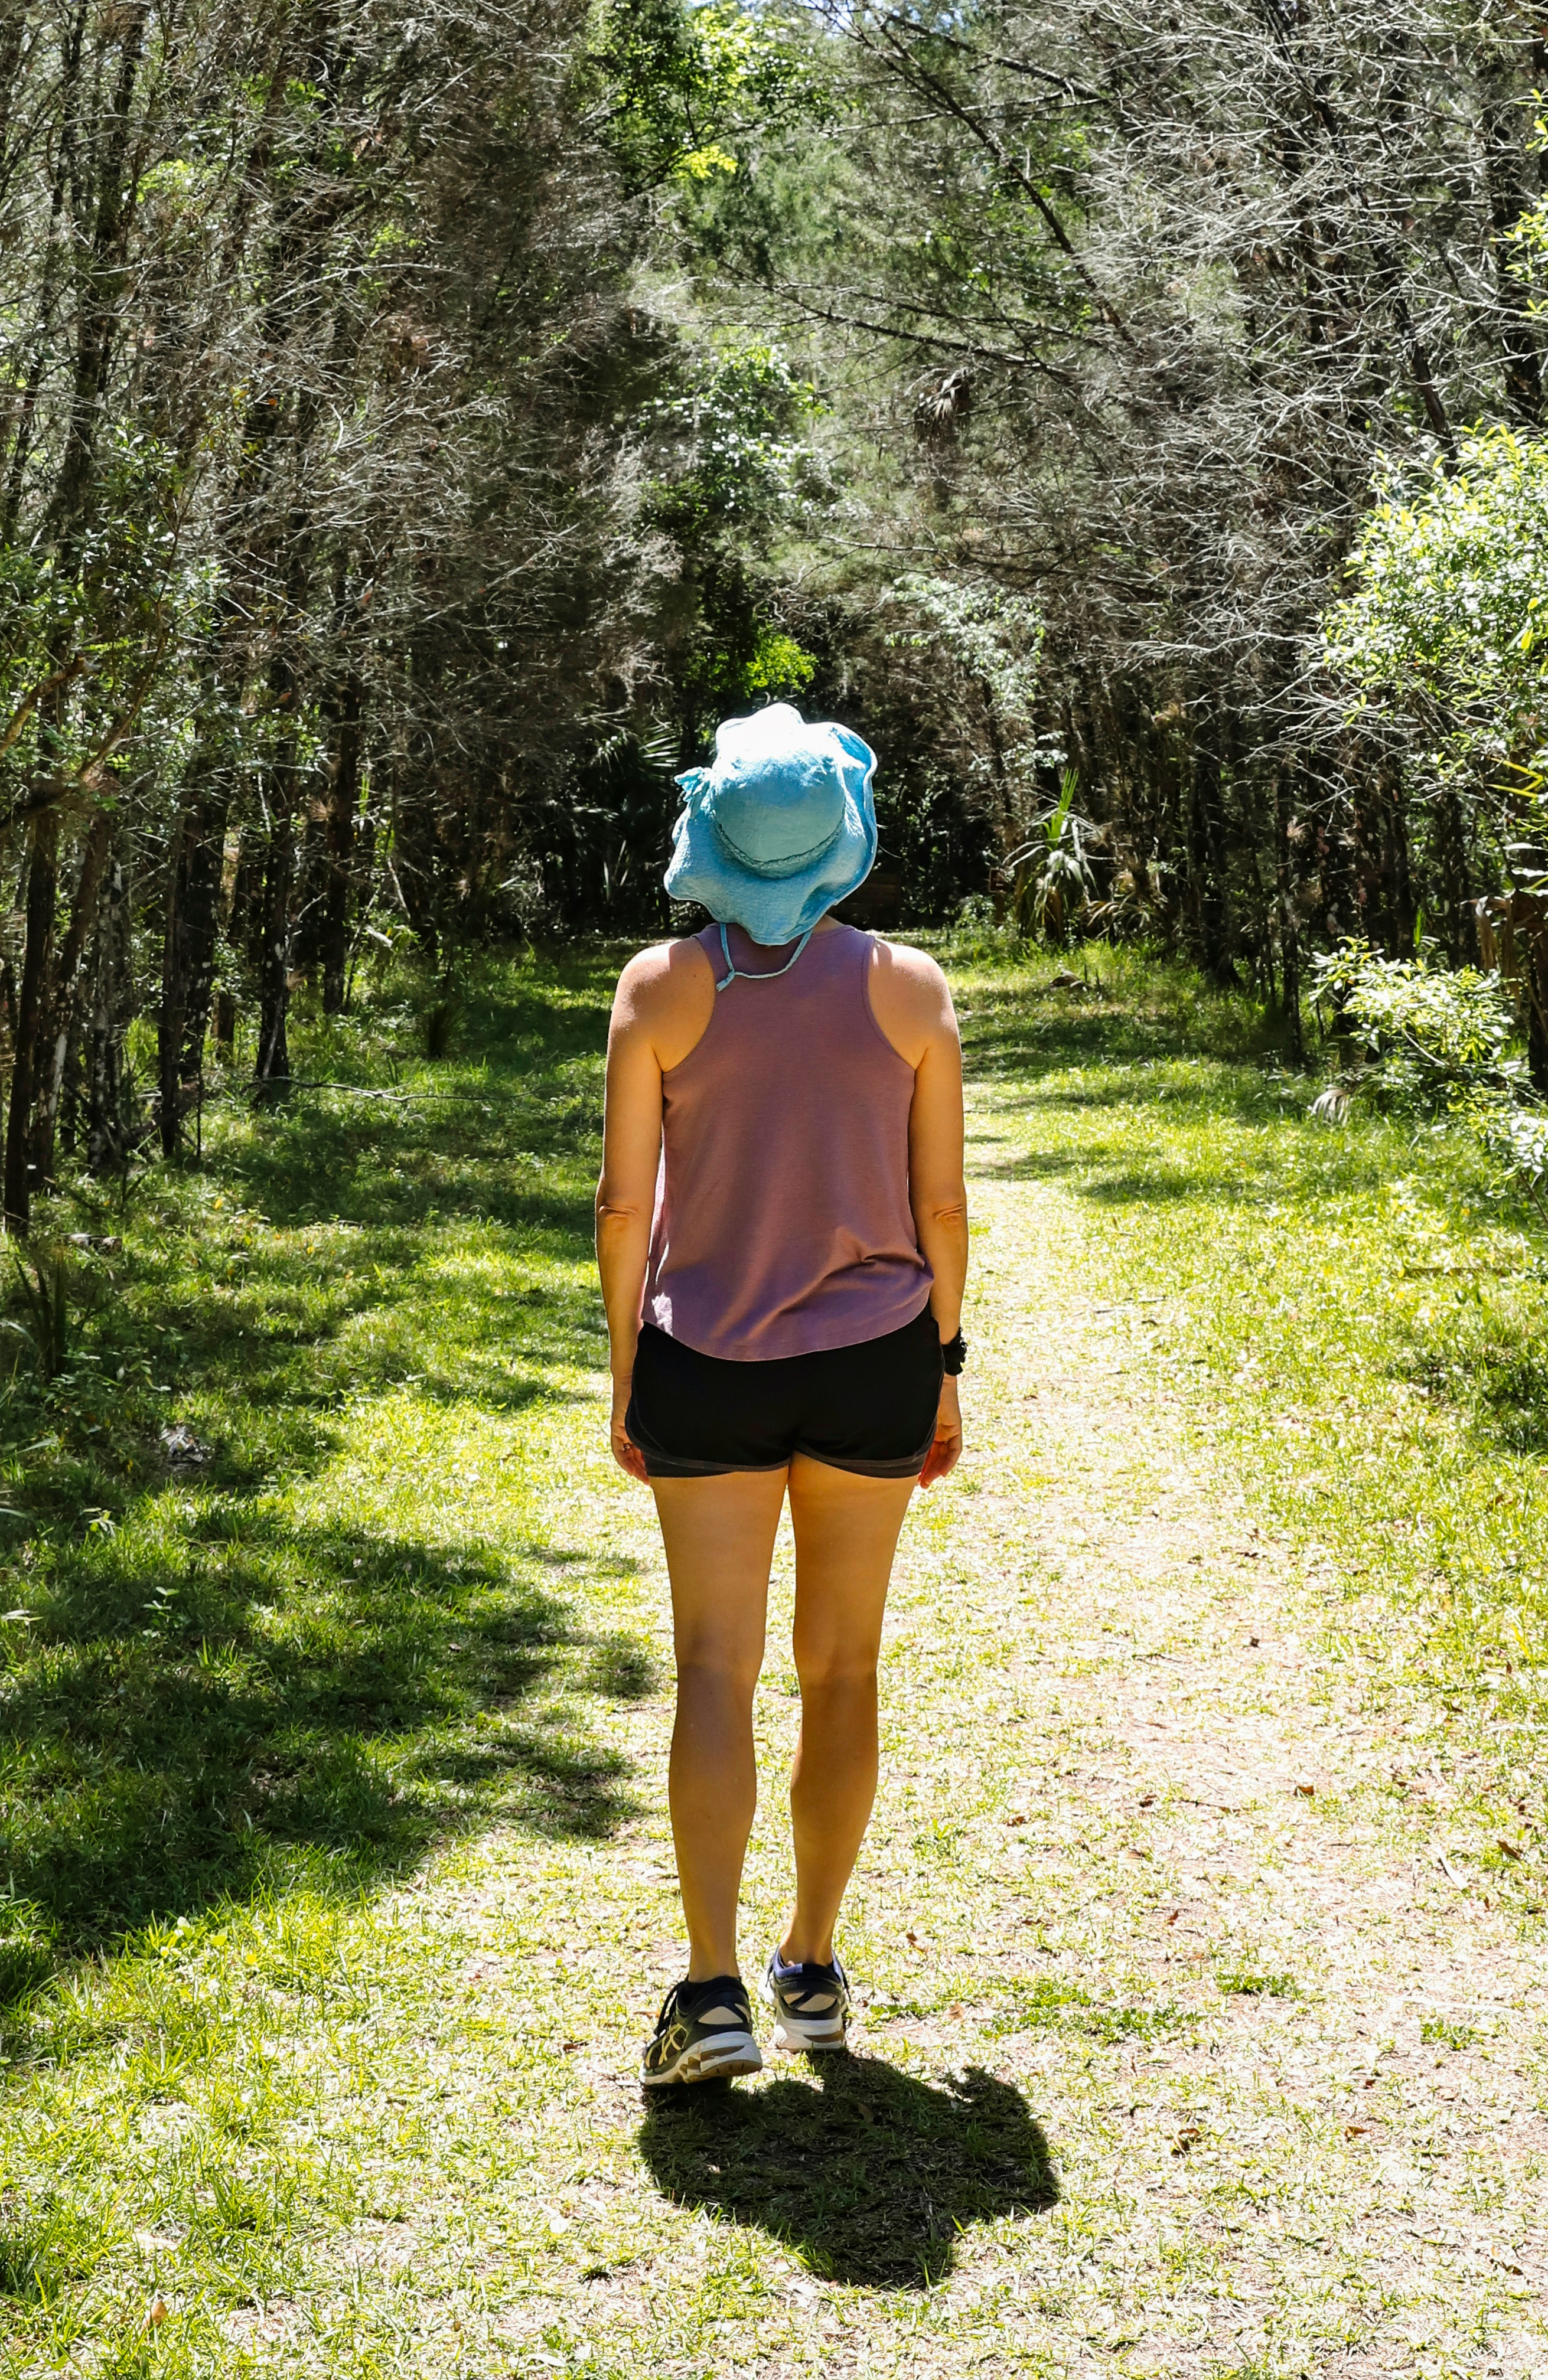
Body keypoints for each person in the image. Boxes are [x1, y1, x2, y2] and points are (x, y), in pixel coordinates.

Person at [597, 701, 967, 2088]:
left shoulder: (658, 990)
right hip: (876, 1358)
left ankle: (708, 1994)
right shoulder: (913, 990)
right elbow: (941, 1201)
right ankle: (810, 1967)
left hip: (705, 1363)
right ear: (839, 843)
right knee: (843, 1668)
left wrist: (631, 1373)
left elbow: (627, 1200)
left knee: (712, 1669)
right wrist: (942, 1369)